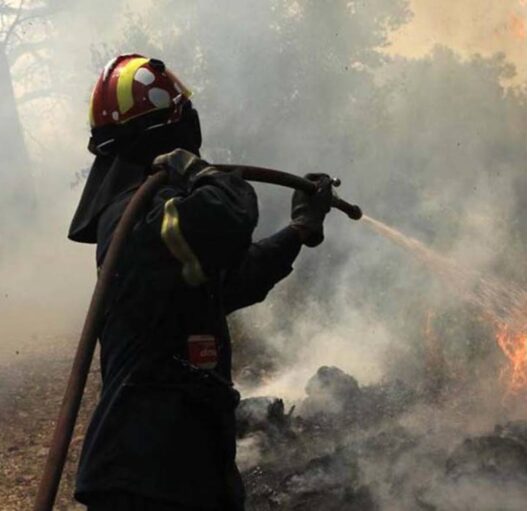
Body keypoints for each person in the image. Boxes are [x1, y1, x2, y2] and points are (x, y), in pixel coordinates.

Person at [69, 54, 334, 510]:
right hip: (147, 477)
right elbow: (224, 216)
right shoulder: (134, 217)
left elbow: (231, 281)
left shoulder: (156, 221)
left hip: (178, 468)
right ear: (170, 129)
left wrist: (298, 232)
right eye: (184, 116)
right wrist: (199, 171)